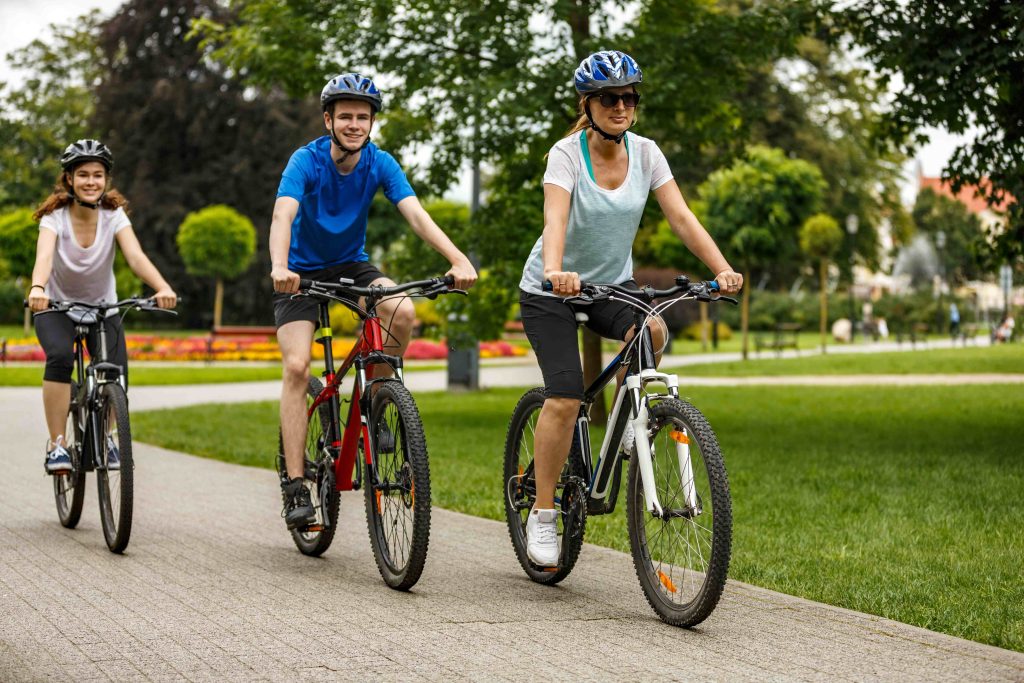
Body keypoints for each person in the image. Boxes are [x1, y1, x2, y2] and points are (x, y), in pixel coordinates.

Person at [517, 51, 743, 567]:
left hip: (610, 285)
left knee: (654, 331)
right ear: (588, 104)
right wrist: (556, 269)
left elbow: (681, 218)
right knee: (565, 396)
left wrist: (721, 269)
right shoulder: (566, 154)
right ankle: (544, 515)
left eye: (628, 97)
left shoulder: (646, 154)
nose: (620, 106)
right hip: (550, 289)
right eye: (608, 98)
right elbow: (555, 218)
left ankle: (628, 418)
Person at [269, 73, 477, 530]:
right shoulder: (305, 161)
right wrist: (280, 267)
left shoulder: (380, 162)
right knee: (299, 367)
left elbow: (416, 215)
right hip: (299, 274)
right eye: (345, 116)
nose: (354, 124)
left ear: (371, 122)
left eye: (362, 116)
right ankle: (296, 484)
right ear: (329, 119)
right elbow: (284, 212)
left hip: (351, 265)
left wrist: (458, 258)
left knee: (401, 309)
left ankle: (381, 396)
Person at [27, 139, 177, 473]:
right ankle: (57, 445)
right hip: (56, 307)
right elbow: (45, 257)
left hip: (103, 308)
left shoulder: (113, 216)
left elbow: (135, 256)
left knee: (116, 369)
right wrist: (38, 288)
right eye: (83, 175)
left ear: (106, 180)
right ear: (69, 179)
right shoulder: (54, 218)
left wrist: (162, 287)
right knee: (61, 358)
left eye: (98, 174)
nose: (91, 181)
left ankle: (108, 435)